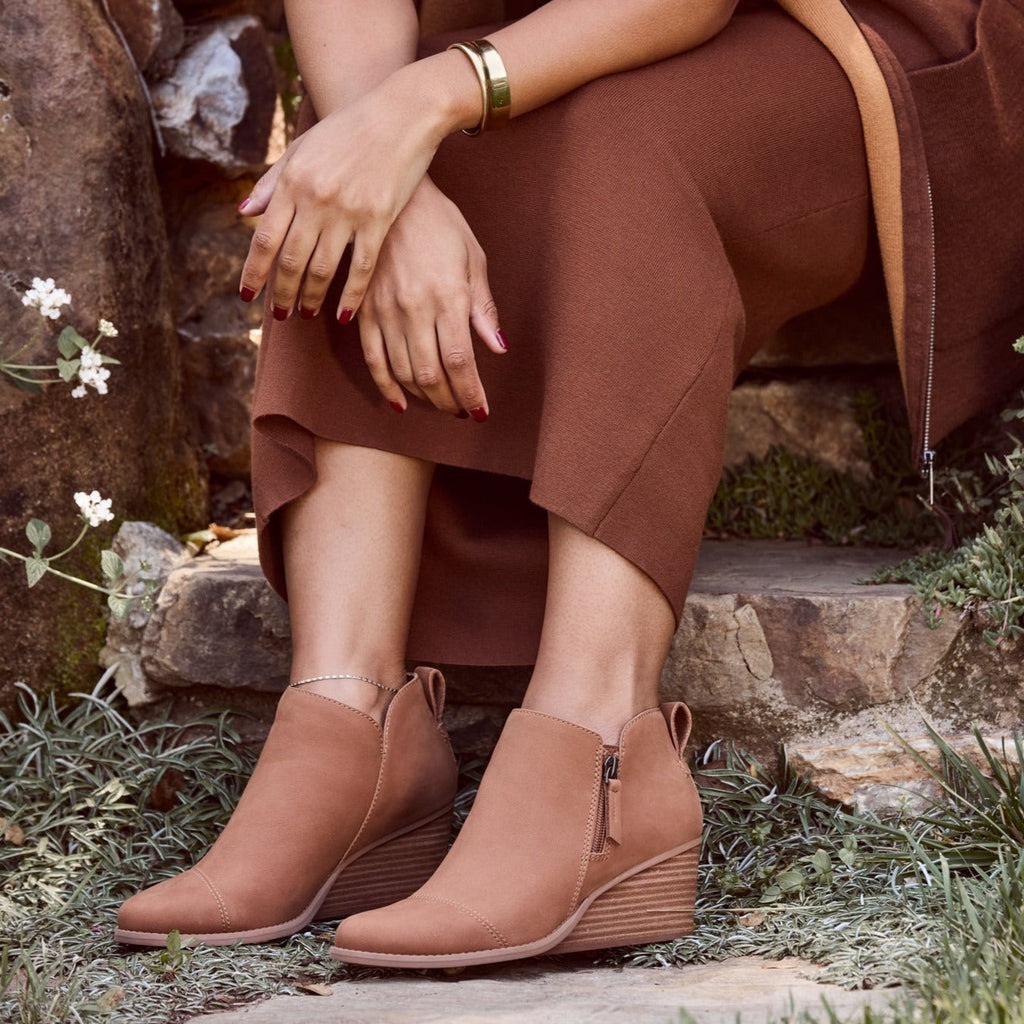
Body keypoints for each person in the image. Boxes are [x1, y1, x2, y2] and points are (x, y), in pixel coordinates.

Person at [116, 0, 1024, 967]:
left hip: (837, 35)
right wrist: (387, 150)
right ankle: (349, 726)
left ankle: (600, 752)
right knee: (352, 169)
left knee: (613, 141)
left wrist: (430, 95)